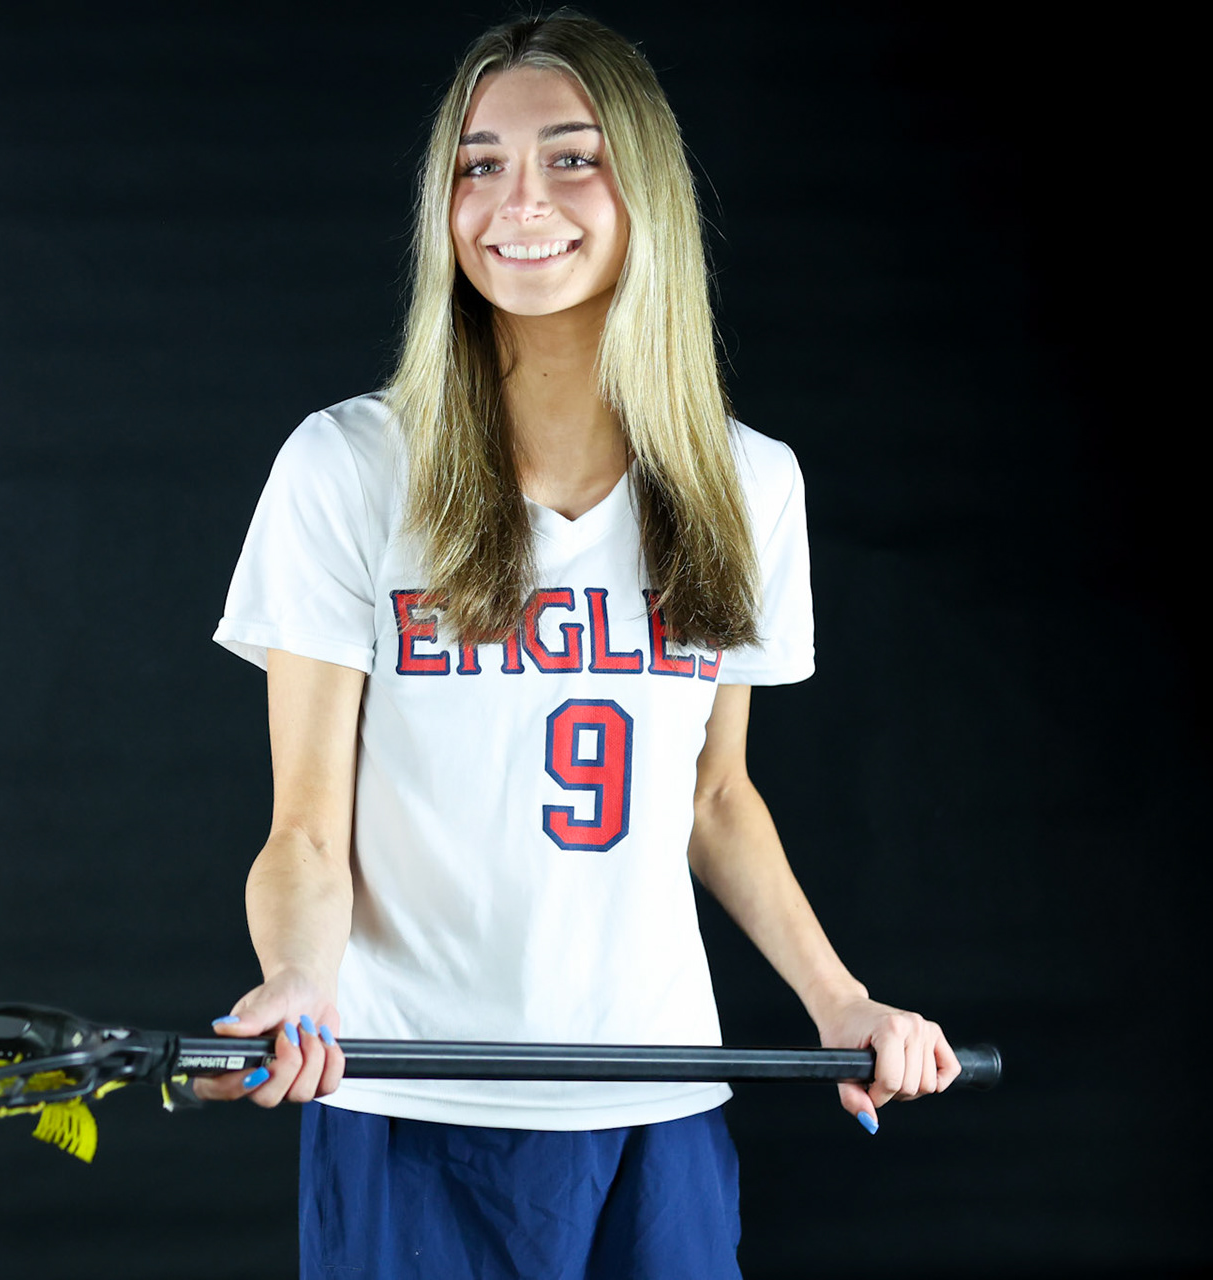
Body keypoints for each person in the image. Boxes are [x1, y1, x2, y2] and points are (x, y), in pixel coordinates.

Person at [198, 11, 959, 1276]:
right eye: (478, 164)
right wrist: (294, 983)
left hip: (657, 1100)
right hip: (409, 1103)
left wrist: (842, 1001)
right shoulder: (348, 466)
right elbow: (307, 832)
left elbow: (714, 795)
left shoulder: (746, 482)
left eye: (570, 156)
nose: (519, 201)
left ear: (642, 188)